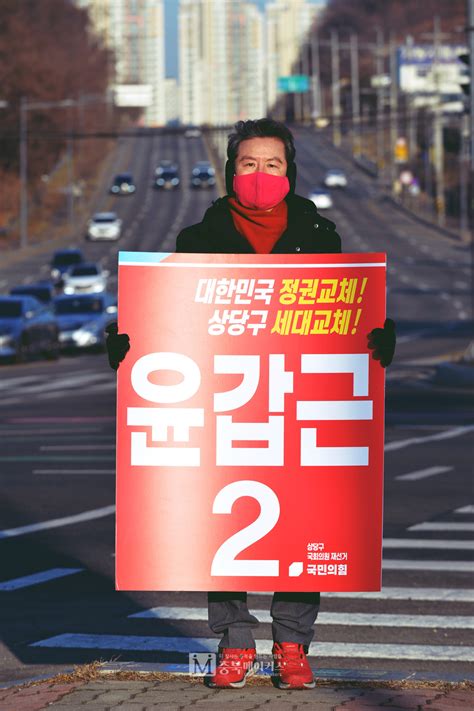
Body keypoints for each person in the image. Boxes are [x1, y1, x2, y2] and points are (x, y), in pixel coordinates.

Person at [106, 118, 396, 690]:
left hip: (298, 395)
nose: (260, 175)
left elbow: (341, 314)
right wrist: (130, 343)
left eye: (272, 164)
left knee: (303, 516)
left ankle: (292, 644)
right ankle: (234, 642)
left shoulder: (321, 235)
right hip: (226, 398)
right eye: (248, 164)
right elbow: (170, 317)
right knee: (223, 519)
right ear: (230, 170)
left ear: (289, 171)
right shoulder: (197, 239)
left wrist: (376, 340)